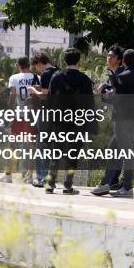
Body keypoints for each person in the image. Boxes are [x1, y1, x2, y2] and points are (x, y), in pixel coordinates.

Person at [93, 47, 134, 198]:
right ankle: (108, 183)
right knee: (117, 150)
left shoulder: (122, 77)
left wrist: (105, 94)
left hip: (123, 119)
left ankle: (124, 187)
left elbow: (116, 96)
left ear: (123, 61)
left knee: (122, 151)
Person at [45, 48, 94, 195]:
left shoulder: (56, 77)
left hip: (59, 121)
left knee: (55, 152)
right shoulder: (85, 79)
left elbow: (50, 99)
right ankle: (67, 185)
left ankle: (50, 184)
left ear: (64, 61)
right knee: (73, 154)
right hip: (77, 122)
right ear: (79, 61)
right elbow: (89, 104)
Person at [91, 45, 126, 195]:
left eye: (112, 56)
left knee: (114, 150)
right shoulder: (114, 73)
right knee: (118, 151)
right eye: (108, 55)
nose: (108, 58)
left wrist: (107, 94)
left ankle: (107, 183)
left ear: (119, 60)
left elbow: (121, 96)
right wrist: (105, 94)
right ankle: (114, 182)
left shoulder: (121, 73)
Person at [0, 56, 39, 183]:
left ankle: (8, 175)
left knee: (12, 145)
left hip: (19, 115)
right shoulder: (37, 78)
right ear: (30, 65)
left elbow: (12, 96)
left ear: (17, 65)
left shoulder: (14, 78)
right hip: (32, 116)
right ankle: (30, 175)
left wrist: (11, 112)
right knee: (32, 146)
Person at [27, 52, 59, 187]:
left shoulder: (46, 74)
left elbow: (44, 96)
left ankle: (41, 178)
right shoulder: (59, 71)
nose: (36, 70)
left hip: (46, 113)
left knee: (42, 145)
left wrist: (33, 90)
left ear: (39, 63)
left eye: (36, 67)